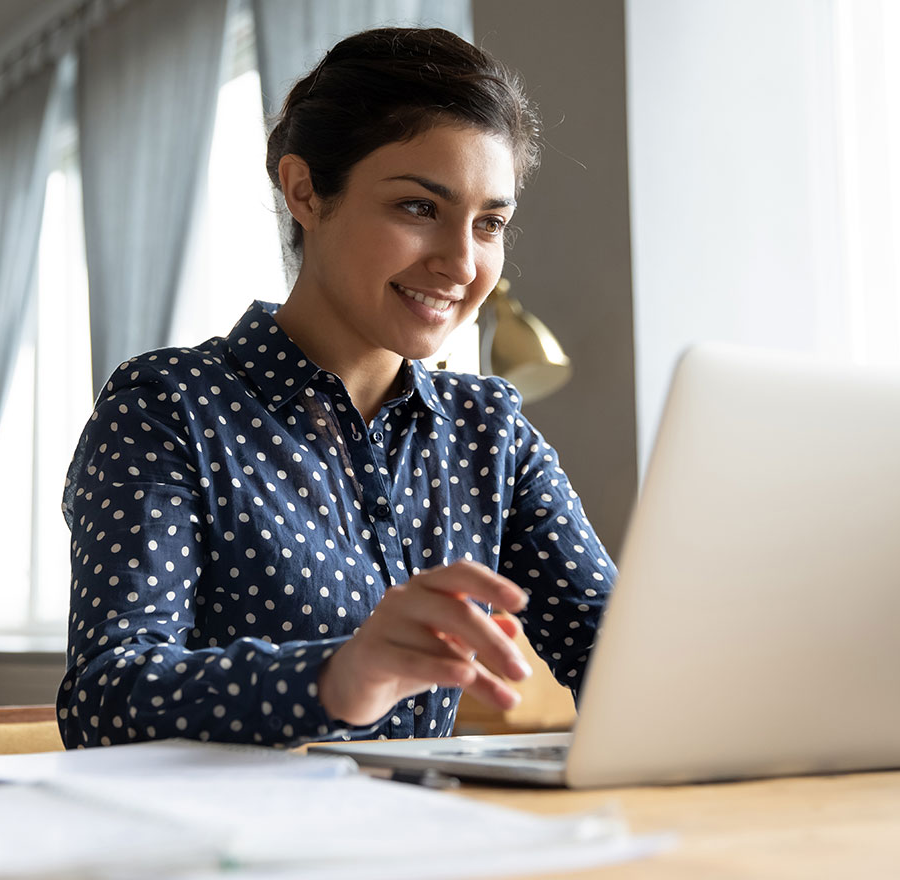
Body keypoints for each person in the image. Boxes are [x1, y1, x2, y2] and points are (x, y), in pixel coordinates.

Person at [57, 26, 616, 748]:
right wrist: (336, 676)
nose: (460, 263)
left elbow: (618, 656)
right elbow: (105, 700)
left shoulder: (490, 432)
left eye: (489, 223)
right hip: (230, 824)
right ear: (305, 191)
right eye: (419, 207)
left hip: (425, 820)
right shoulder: (168, 408)